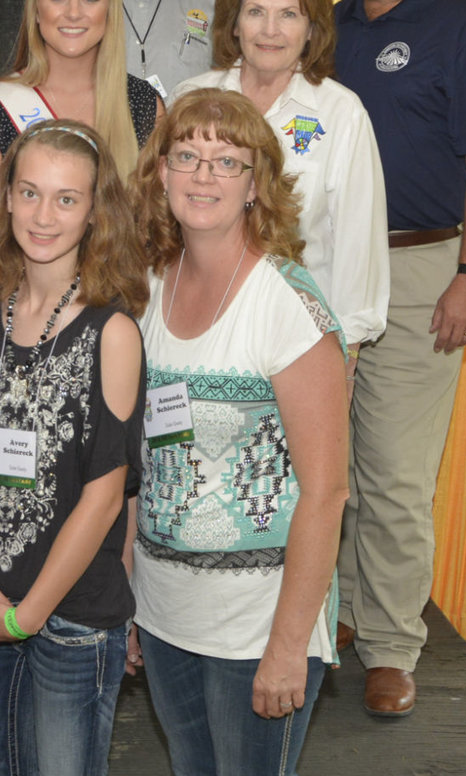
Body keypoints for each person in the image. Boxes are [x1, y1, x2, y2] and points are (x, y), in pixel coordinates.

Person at [332, 0, 466, 716]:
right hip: (324, 273)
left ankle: (392, 644)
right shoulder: (322, 28)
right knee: (319, 462)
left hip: (419, 271)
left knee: (397, 475)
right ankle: (329, 615)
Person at [127, 89, 349, 776]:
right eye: (187, 155)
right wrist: (132, 589)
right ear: (160, 172)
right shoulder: (149, 286)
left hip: (257, 626)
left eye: (227, 162)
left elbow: (326, 494)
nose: (203, 175)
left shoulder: (289, 305)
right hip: (166, 613)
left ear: (257, 184)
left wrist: (288, 645)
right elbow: (143, 456)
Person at [0, 119, 147, 776]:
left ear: (94, 213)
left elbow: (106, 494)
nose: (44, 215)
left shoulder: (112, 331)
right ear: (5, 199)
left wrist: (27, 617)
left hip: (71, 617)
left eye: (66, 199)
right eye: (29, 193)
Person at [174, 0, 389, 384]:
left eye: (288, 14)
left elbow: (357, 244)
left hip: (302, 346)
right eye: (256, 12)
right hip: (197, 334)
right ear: (234, 24)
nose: (270, 30)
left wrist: (344, 354)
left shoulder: (341, 114)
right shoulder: (189, 100)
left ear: (312, 28)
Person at [0, 0, 162, 232]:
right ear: (35, 9)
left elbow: (158, 230)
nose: (73, 13)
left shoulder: (144, 103)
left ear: (110, 11)